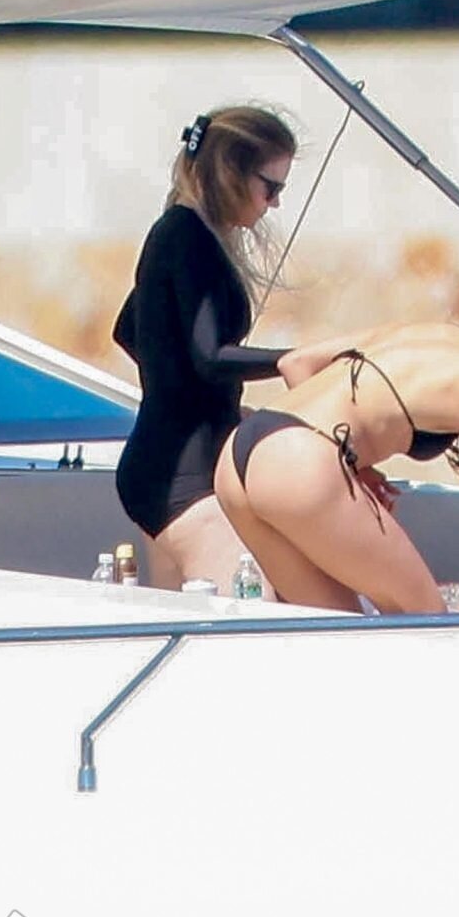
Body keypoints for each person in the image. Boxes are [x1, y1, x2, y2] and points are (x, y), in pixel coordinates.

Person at [212, 260, 459, 614]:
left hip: (240, 455)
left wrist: (350, 465)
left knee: (334, 630)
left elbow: (296, 362)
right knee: (424, 619)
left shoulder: (420, 332)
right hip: (302, 463)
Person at [113, 106, 296, 591]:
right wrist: (288, 361)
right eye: (270, 188)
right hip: (180, 479)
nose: (275, 203)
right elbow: (209, 355)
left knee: (182, 615)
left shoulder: (180, 232)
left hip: (171, 463)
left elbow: (130, 330)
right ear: (232, 173)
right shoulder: (187, 238)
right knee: (255, 604)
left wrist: (206, 404)